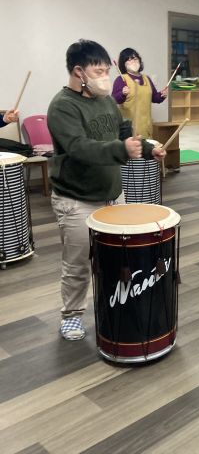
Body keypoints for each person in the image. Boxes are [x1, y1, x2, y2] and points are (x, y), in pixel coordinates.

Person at [48, 39, 166, 341]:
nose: (105, 77)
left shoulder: (104, 101)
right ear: (79, 72)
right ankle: (72, 316)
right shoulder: (62, 106)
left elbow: (123, 131)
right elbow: (79, 148)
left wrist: (148, 147)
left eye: (106, 70)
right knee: (77, 263)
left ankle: (115, 303)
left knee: (115, 257)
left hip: (113, 195)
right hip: (77, 199)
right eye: (98, 71)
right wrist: (121, 149)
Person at [111, 48, 168, 139]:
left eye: (135, 58)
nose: (133, 61)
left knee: (147, 147)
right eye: (129, 60)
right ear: (123, 64)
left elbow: (154, 98)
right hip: (129, 128)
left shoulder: (146, 78)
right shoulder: (121, 79)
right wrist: (122, 93)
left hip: (146, 126)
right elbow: (114, 100)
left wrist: (162, 95)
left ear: (139, 61)